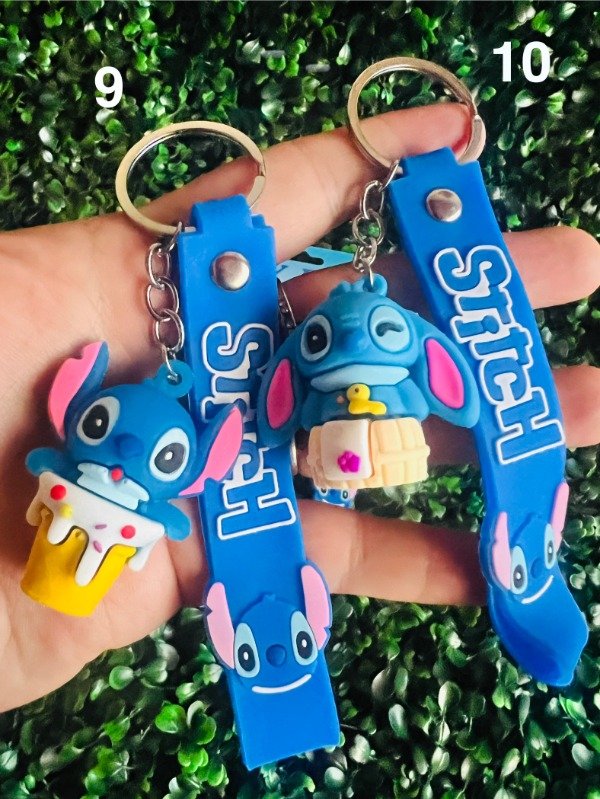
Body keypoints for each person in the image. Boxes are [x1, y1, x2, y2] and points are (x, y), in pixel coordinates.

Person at [1, 104, 598, 712]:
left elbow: (441, 399)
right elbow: (268, 422)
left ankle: (527, 560)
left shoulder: (376, 366)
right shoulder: (272, 383)